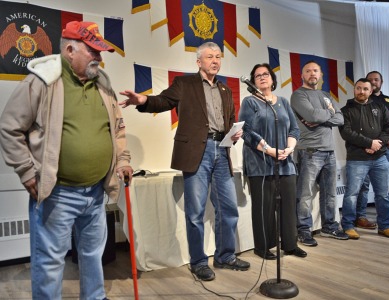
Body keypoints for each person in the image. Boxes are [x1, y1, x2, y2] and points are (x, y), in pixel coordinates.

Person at [0, 21, 133, 299]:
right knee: (49, 263)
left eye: (100, 52)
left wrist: (122, 161)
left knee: (93, 256)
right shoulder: (42, 81)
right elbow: (10, 127)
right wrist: (26, 171)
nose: (99, 58)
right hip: (57, 193)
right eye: (93, 51)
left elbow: (117, 129)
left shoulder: (103, 83)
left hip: (96, 192)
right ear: (70, 50)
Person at [119, 42, 250, 281]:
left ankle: (225, 256)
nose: (215, 60)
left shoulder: (225, 90)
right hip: (196, 152)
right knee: (195, 212)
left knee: (228, 208)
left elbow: (229, 119)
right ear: (199, 62)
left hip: (222, 151)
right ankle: (199, 261)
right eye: (209, 57)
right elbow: (162, 101)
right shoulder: (184, 84)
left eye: (218, 56)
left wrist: (234, 132)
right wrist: (142, 100)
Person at [239, 63, 307, 259]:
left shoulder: (283, 102)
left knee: (288, 206)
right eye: (257, 75)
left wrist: (289, 148)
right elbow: (246, 132)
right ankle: (263, 247)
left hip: (285, 162)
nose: (262, 77)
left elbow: (294, 129)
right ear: (253, 82)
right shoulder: (250, 102)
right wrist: (269, 150)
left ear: (272, 78)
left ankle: (290, 245)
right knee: (264, 208)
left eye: (265, 74)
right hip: (260, 163)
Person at [290, 60, 348, 247]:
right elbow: (312, 116)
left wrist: (322, 116)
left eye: (315, 70)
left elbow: (340, 118)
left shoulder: (325, 95)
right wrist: (327, 114)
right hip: (310, 152)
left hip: (329, 151)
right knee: (305, 194)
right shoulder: (298, 95)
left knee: (330, 193)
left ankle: (329, 226)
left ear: (321, 74)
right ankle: (304, 230)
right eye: (308, 71)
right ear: (302, 75)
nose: (312, 74)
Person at [339, 78, 389, 239]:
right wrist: (369, 143)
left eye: (365, 89)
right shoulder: (346, 110)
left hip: (380, 158)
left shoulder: (380, 107)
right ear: (354, 90)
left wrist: (378, 144)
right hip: (357, 159)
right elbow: (346, 133)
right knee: (352, 194)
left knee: (383, 194)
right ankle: (348, 226)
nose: (361, 91)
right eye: (358, 88)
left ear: (370, 91)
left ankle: (385, 225)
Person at [355, 71, 389, 230]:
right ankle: (360, 216)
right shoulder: (361, 101)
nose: (373, 82)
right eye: (370, 80)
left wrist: (388, 136)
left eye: (376, 79)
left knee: (384, 186)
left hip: (386, 149)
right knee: (364, 184)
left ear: (381, 81)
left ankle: (387, 215)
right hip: (366, 149)